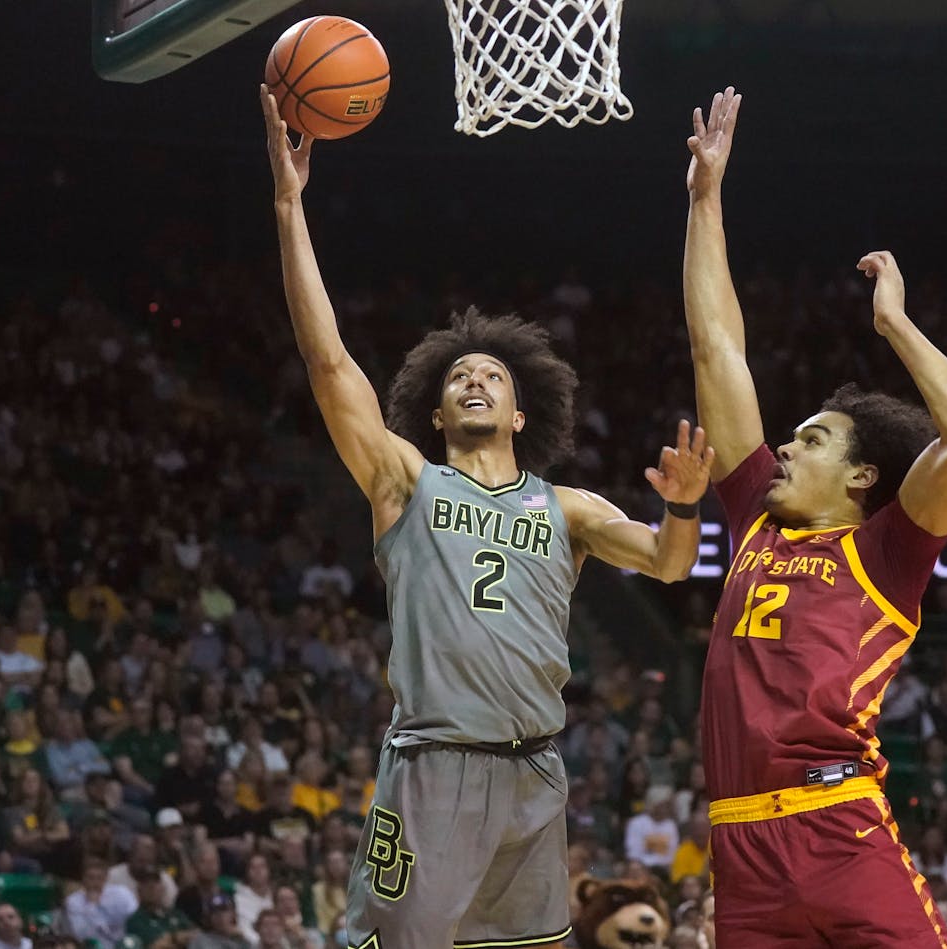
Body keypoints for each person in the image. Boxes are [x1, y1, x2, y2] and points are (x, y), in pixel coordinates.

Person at [260, 86, 713, 949]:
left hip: (537, 770)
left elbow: (670, 561)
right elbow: (327, 361)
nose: (474, 378)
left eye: (492, 377)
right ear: (433, 414)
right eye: (458, 376)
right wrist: (289, 204)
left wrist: (684, 502)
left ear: (518, 414)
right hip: (433, 769)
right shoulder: (406, 480)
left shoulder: (567, 506)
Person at [682, 86, 947, 948]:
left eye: (811, 438)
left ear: (862, 475)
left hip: (838, 826)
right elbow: (717, 346)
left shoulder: (887, 548)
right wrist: (705, 201)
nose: (783, 447)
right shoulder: (755, 517)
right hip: (741, 844)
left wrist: (893, 324)